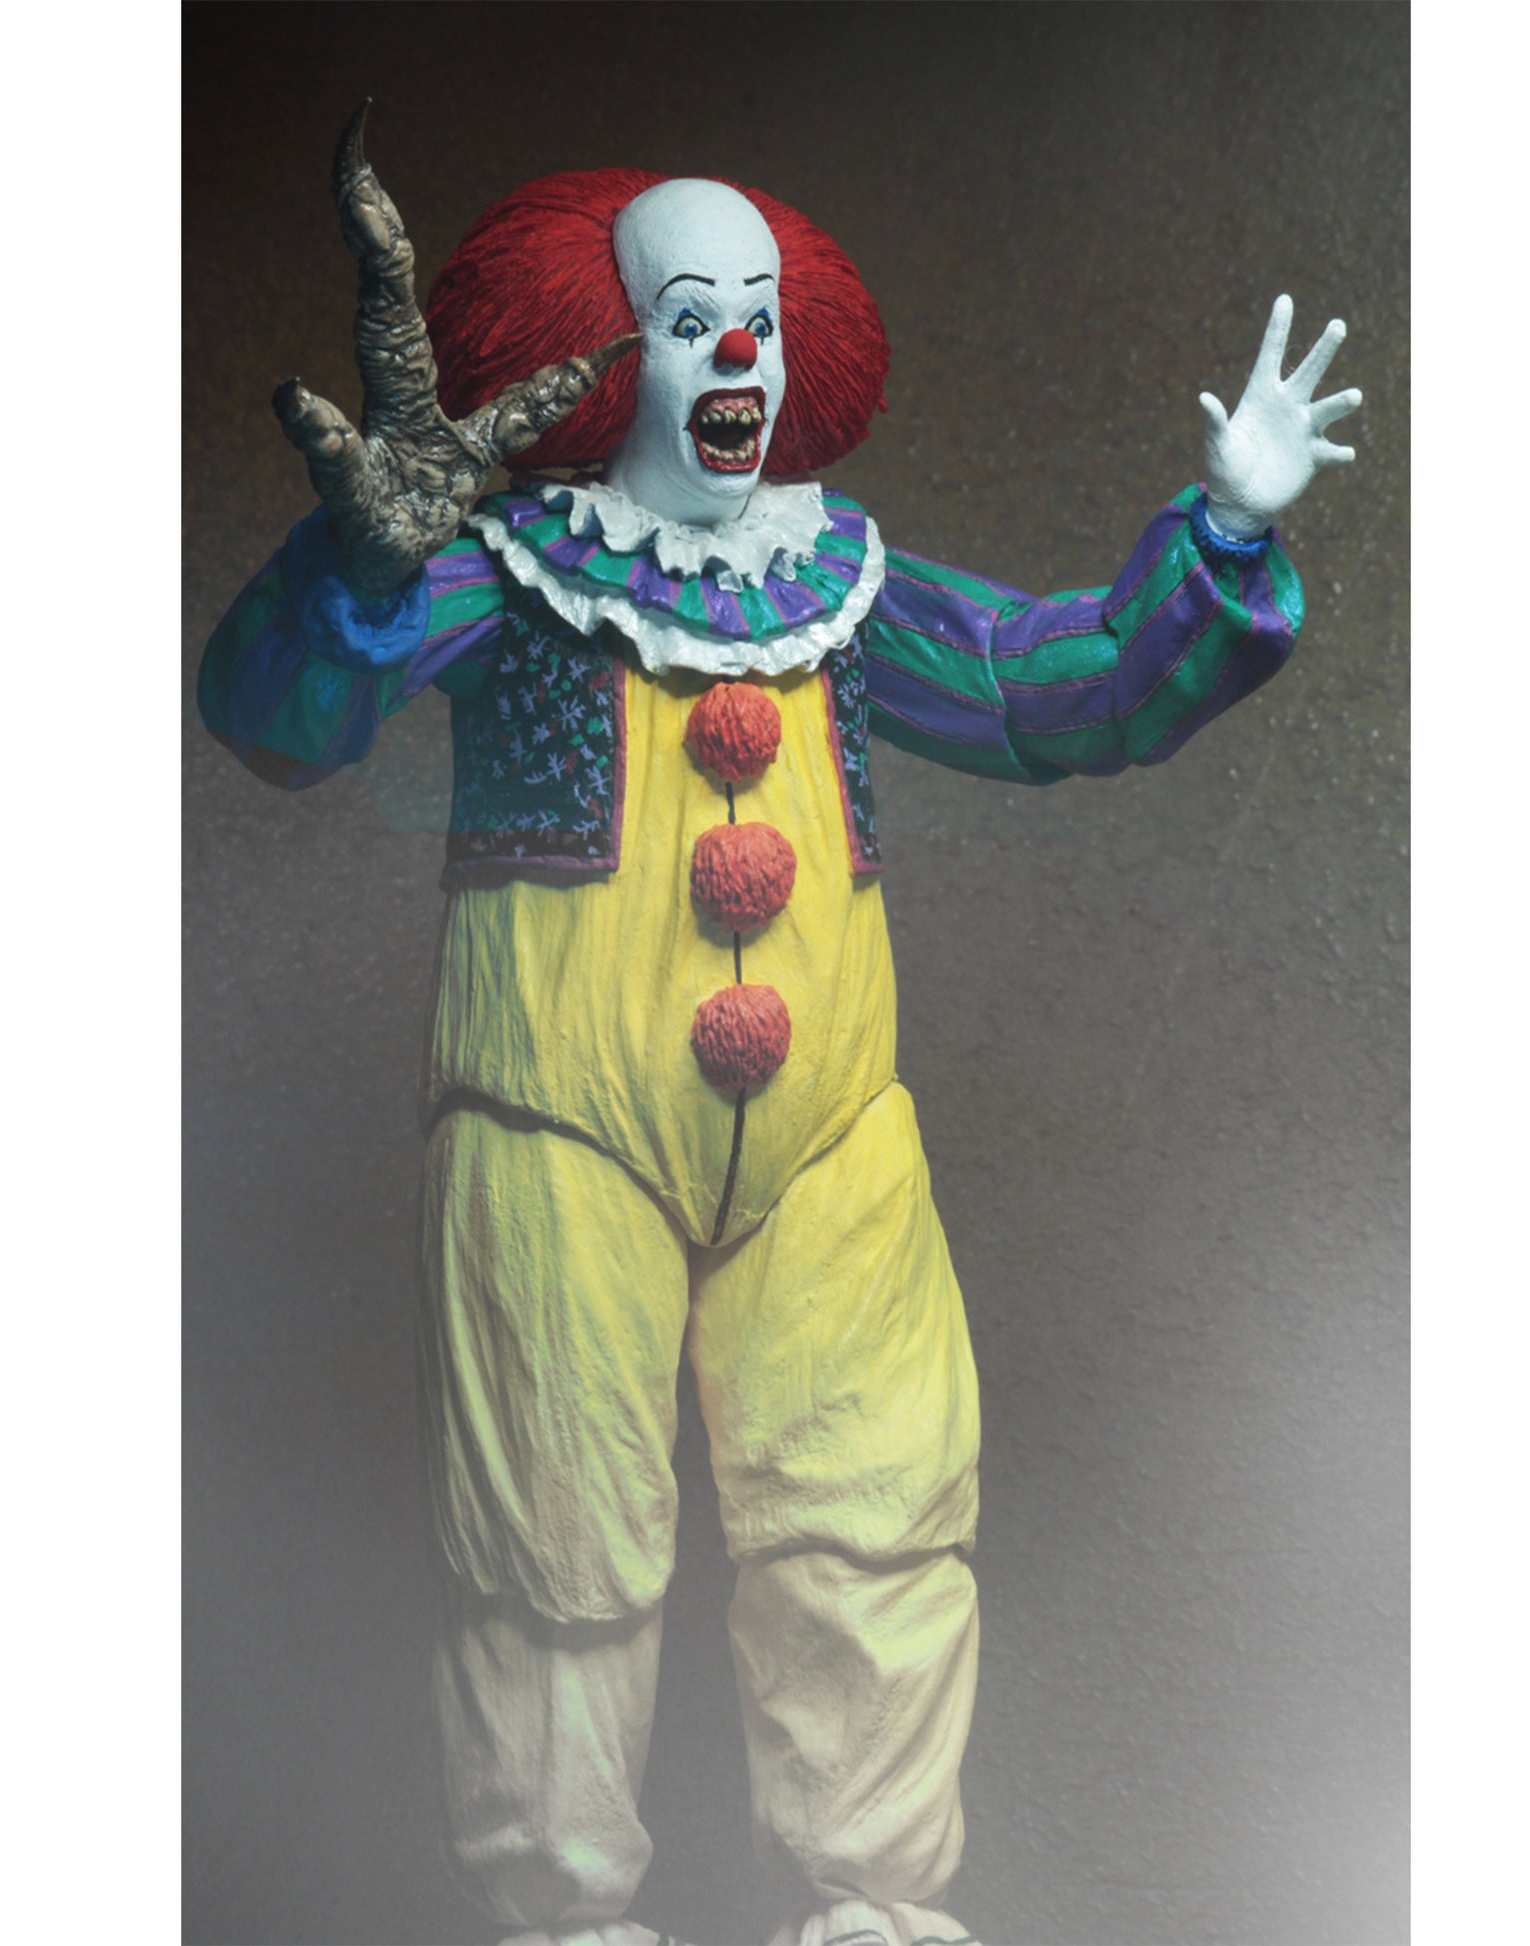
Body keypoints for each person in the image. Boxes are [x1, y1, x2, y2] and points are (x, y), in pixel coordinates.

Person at [199, 108, 1360, 1946]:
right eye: (688, 316)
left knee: (878, 1507)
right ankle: (559, 1917)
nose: (735, 343)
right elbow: (276, 718)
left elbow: (1051, 687)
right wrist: (351, 575)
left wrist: (1219, 531)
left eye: (754, 309)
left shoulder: (838, 587)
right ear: (605, 356)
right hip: (551, 1129)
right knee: (550, 1532)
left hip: (831, 1144)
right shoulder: (504, 574)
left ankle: (875, 1908)